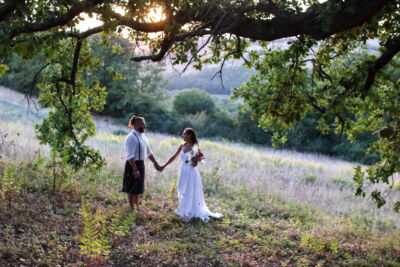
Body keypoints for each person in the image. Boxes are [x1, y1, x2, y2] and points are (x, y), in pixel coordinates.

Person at [160, 128, 222, 221]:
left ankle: (188, 210)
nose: (182, 136)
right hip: (182, 170)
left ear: (190, 135)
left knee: (189, 190)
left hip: (190, 171)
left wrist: (195, 157)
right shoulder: (182, 146)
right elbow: (173, 157)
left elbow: (194, 164)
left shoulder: (195, 148)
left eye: (184, 134)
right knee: (181, 188)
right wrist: (164, 165)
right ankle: (184, 207)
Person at [122, 115, 161, 209]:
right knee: (131, 187)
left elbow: (149, 152)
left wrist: (155, 163)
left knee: (138, 187)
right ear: (136, 124)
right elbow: (130, 156)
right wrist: (135, 170)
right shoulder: (131, 137)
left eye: (144, 123)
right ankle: (132, 208)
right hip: (132, 165)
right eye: (142, 124)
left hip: (141, 164)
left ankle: (137, 206)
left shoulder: (143, 136)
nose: (144, 125)